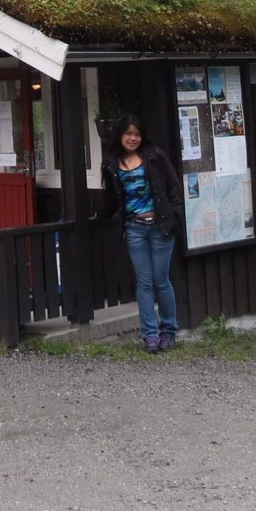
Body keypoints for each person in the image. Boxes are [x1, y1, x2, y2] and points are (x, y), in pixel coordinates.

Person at [98, 113, 182, 352]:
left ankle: (169, 331)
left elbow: (173, 187)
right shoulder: (112, 163)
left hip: (161, 225)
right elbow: (112, 198)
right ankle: (150, 336)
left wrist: (176, 215)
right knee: (144, 282)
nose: (133, 138)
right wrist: (100, 215)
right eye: (128, 134)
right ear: (120, 136)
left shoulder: (155, 156)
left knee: (161, 280)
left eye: (137, 134)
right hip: (134, 228)